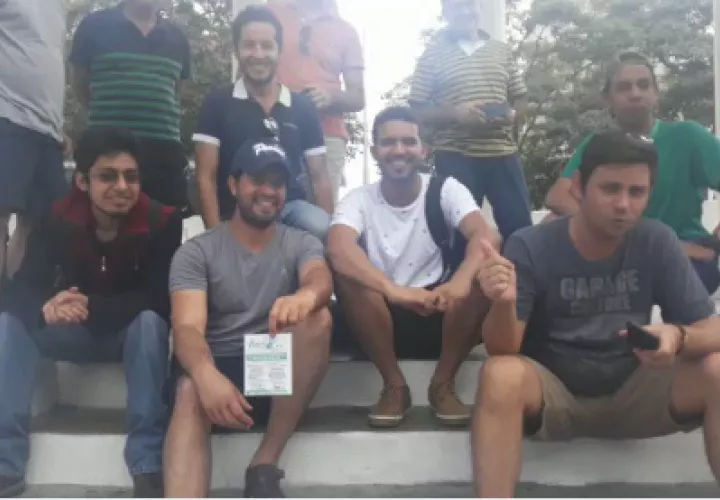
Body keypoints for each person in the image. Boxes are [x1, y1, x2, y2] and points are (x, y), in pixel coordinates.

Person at [472, 131, 720, 497]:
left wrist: (679, 337)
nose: (623, 204)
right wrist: (503, 302)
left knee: (717, 367)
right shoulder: (531, 244)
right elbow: (502, 348)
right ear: (578, 187)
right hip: (555, 394)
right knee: (500, 375)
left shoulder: (657, 240)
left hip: (636, 390)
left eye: (637, 192)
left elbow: (711, 328)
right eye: (610, 189)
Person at [0, 128, 182, 498]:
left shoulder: (161, 221)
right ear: (82, 181)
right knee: (10, 324)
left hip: (129, 334)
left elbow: (160, 298)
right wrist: (46, 308)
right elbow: (22, 289)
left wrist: (88, 305)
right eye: (108, 176)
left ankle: (147, 461)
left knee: (150, 324)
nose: (122, 187)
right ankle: (6, 460)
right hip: (72, 331)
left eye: (131, 176)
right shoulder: (57, 218)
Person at [164, 138, 332, 497]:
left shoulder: (301, 242)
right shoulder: (197, 251)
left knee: (318, 318)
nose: (268, 191)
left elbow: (319, 278)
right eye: (257, 180)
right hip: (217, 369)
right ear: (233, 184)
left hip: (273, 372)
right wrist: (206, 376)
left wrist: (305, 297)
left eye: (278, 183)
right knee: (190, 388)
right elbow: (187, 328)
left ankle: (264, 464)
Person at [328, 107, 499, 428]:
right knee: (348, 277)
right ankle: (394, 386)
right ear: (374, 151)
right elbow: (338, 248)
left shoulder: (445, 189)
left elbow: (486, 235)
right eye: (388, 142)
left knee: (484, 271)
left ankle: (443, 384)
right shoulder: (358, 199)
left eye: (408, 141)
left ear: (424, 150)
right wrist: (393, 290)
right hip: (380, 322)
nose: (399, 150)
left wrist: (461, 281)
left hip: (443, 315)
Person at [545, 51, 720, 294]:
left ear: (656, 92)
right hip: (618, 250)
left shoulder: (687, 136)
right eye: (624, 87)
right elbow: (558, 197)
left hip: (686, 256)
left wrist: (711, 242)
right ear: (608, 97)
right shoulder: (599, 144)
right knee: (550, 226)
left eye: (644, 85)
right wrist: (627, 236)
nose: (635, 93)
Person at [193, 6, 334, 240]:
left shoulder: (303, 107)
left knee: (321, 225)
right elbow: (205, 177)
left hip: (289, 211)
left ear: (279, 50)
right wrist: (216, 241)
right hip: (235, 212)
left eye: (267, 45)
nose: (258, 54)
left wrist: (329, 240)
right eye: (249, 45)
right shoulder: (217, 102)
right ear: (236, 50)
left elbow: (320, 177)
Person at [408, 0, 532, 242]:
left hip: (503, 153)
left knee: (520, 230)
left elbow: (521, 99)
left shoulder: (501, 50)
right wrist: (455, 113)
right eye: (457, 6)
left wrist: (511, 115)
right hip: (455, 156)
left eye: (470, 4)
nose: (465, 11)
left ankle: (519, 269)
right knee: (458, 236)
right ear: (445, 11)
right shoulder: (432, 55)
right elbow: (417, 111)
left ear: (479, 7)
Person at [70, 0, 192, 210]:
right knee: (98, 226)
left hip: (163, 157)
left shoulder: (178, 38)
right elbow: (79, 85)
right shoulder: (93, 26)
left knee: (165, 226)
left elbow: (176, 93)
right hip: (106, 152)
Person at [0, 0, 70, 286]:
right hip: (7, 116)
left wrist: (59, 126)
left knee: (38, 224)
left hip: (47, 130)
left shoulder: (57, 8)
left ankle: (14, 304)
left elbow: (45, 63)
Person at [269, 0, 366, 203]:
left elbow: (358, 98)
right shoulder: (272, 12)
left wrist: (330, 97)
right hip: (274, 129)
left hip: (328, 135)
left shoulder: (346, 31)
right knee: (270, 204)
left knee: (321, 214)